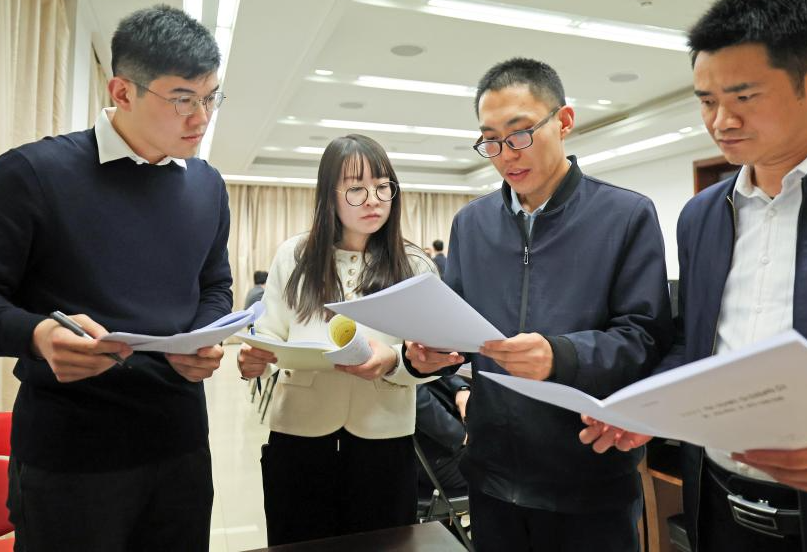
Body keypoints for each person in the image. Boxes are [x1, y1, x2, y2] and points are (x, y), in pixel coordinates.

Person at [579, 0, 807, 552]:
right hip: (722, 503)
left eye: (744, 97)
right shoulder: (701, 216)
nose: (721, 121)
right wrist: (652, 407)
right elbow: (697, 345)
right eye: (706, 101)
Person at [0, 4, 232, 551]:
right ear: (122, 91)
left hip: (181, 444)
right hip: (71, 455)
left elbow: (214, 285)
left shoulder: (207, 185)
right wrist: (38, 334)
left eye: (211, 97)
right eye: (183, 99)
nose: (201, 118)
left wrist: (204, 334)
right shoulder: (33, 173)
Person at [406, 58, 673, 551]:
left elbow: (644, 339)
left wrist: (560, 356)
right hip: (491, 479)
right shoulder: (471, 224)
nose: (506, 155)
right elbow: (457, 332)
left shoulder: (625, 215)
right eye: (491, 140)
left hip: (588, 480)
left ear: (564, 121)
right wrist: (433, 361)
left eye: (520, 134)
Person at [237, 134, 439, 546]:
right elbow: (271, 332)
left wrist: (395, 361)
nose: (373, 200)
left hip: (384, 434)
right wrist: (254, 359)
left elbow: (432, 356)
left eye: (383, 187)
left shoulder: (414, 264)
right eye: (356, 188)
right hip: (300, 430)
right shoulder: (295, 255)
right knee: (299, 540)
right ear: (328, 194)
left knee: (382, 543)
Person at [415, 374, 470, 493]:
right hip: (434, 455)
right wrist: (464, 437)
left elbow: (437, 367)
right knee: (506, 463)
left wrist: (461, 388)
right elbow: (417, 402)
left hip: (452, 430)